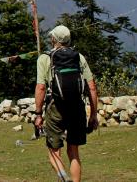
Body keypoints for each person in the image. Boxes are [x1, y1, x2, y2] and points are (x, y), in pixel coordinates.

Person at [34, 25, 98, 182]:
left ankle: (63, 178)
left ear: (53, 39)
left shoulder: (45, 58)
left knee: (53, 151)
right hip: (77, 107)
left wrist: (38, 114)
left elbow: (41, 87)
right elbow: (92, 87)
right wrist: (93, 115)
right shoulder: (79, 57)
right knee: (74, 151)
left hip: (55, 107)